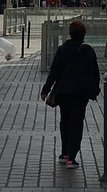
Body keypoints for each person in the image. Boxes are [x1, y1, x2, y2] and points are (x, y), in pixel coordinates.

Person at [41, 19, 101, 169]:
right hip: (80, 93)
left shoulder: (63, 49)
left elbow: (54, 71)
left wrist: (46, 90)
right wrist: (95, 90)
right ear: (84, 34)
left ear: (70, 33)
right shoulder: (88, 50)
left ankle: (65, 153)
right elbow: (95, 73)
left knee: (65, 121)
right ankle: (72, 158)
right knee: (76, 123)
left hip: (64, 91)